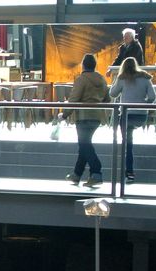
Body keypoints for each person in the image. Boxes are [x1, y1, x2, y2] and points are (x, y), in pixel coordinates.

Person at [64, 53, 111, 188]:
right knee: (84, 144)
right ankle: (76, 174)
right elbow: (107, 99)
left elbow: (74, 99)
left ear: (83, 65)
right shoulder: (102, 79)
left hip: (83, 116)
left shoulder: (81, 79)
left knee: (84, 145)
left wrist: (65, 114)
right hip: (97, 117)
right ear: (95, 65)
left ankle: (96, 172)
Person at [110, 57, 155, 183]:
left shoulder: (122, 78)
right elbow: (152, 96)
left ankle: (129, 173)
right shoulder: (145, 78)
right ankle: (129, 172)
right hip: (141, 115)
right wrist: (144, 103)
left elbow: (113, 94)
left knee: (127, 144)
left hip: (126, 115)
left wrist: (116, 81)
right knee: (129, 140)